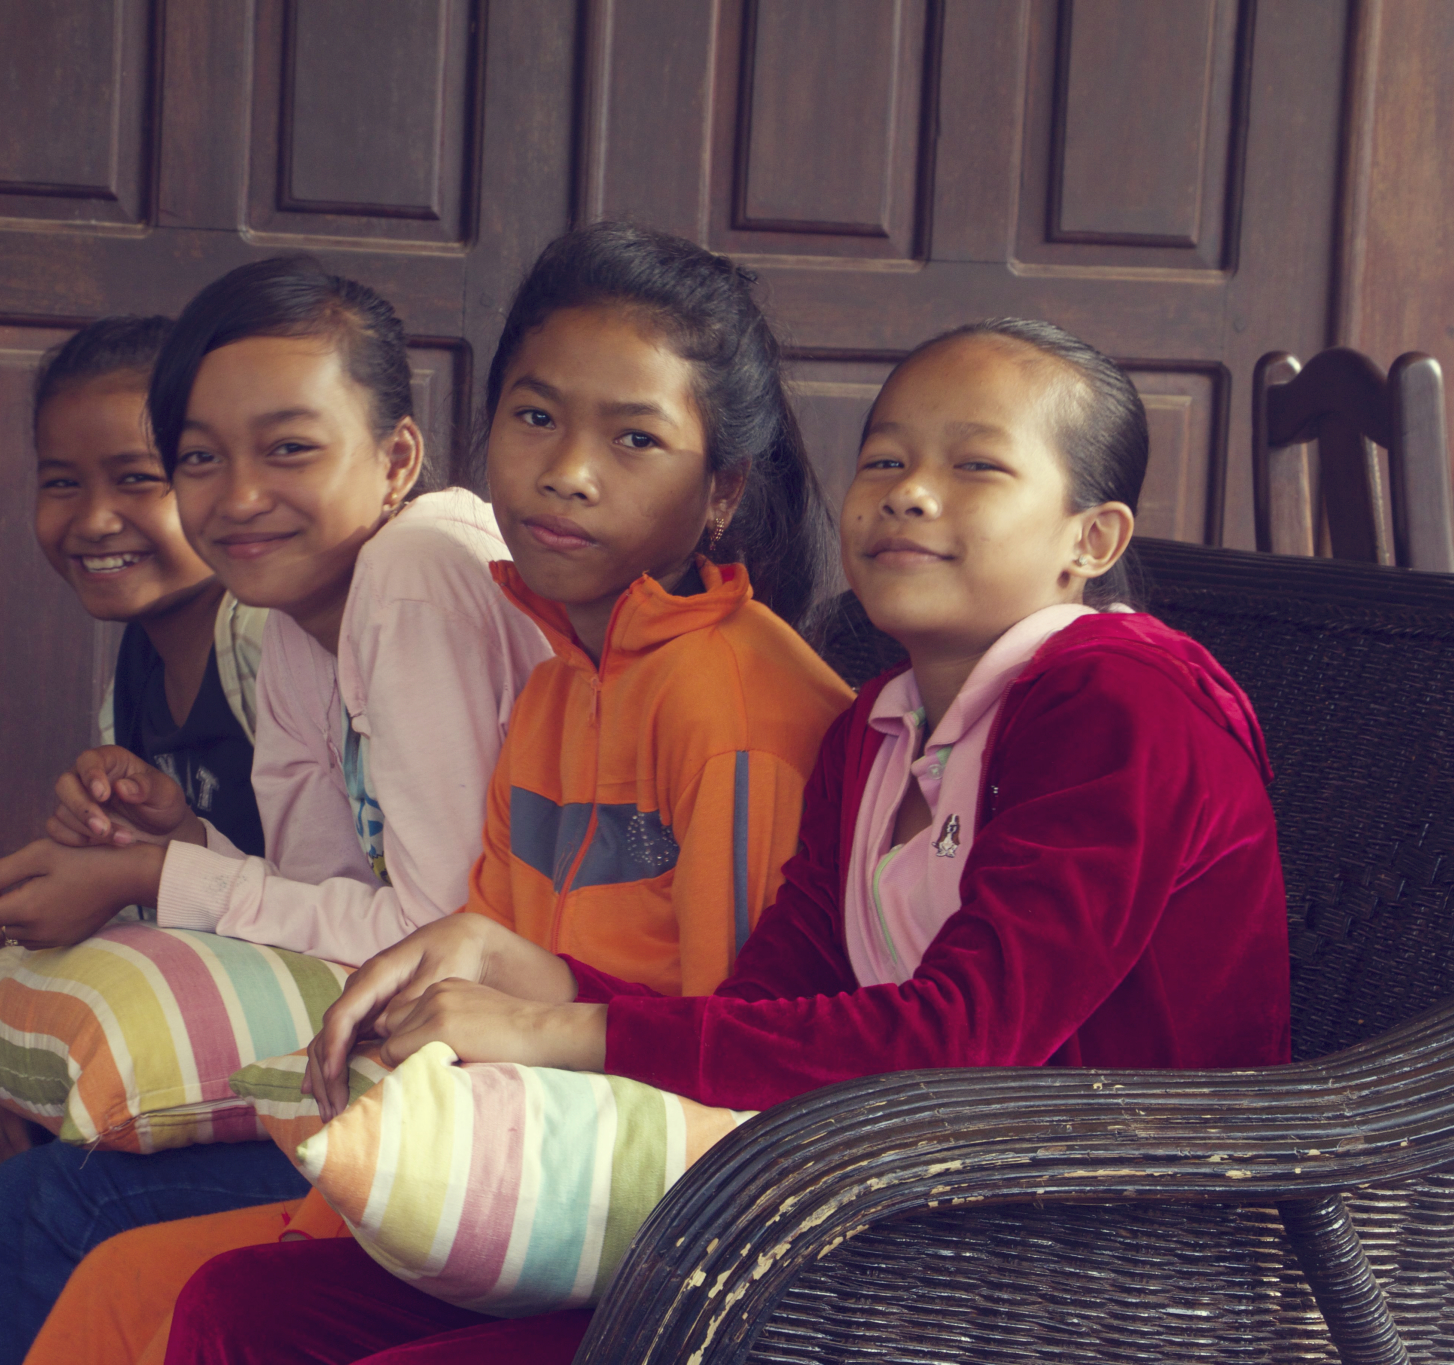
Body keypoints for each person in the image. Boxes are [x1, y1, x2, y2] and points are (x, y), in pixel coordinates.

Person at [165, 317, 1293, 1364]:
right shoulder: (877, 727)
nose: (908, 496)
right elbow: (765, 1015)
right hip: (858, 1220)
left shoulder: (1120, 707)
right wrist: (532, 972)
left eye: (975, 467)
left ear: (1087, 537)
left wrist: (557, 1027)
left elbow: (962, 1043)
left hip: (1068, 1267)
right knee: (242, 1308)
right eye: (886, 461)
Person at [23, 223, 857, 1365]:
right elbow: (474, 935)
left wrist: (518, 1025)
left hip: (673, 1217)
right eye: (534, 418)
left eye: (632, 438)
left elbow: (749, 1052)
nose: (566, 470)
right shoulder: (562, 679)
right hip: (529, 1157)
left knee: (194, 1292)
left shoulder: (731, 708)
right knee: (170, 1293)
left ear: (718, 495)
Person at [0, 259, 556, 1363]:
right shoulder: (287, 624)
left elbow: (434, 941)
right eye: (198, 457)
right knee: (10, 1187)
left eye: (288, 448)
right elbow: (321, 903)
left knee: (45, 1209)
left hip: (519, 1084)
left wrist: (152, 877)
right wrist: (174, 839)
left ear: (396, 460)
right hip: (408, 1059)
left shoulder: (413, 571)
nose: (234, 497)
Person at [0, 316, 270, 1365]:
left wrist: (152, 861)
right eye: (60, 482)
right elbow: (135, 906)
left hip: (305, 1068)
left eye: (139, 478)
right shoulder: (137, 676)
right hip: (213, 1041)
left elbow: (331, 893)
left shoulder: (267, 643)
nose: (94, 519)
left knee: (22, 1193)